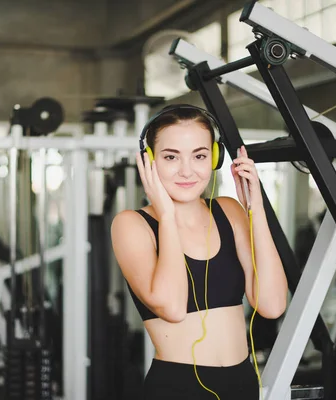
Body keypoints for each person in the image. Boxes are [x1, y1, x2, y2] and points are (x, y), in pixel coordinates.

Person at [110, 105, 288, 400]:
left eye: (200, 155)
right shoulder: (131, 225)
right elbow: (173, 308)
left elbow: (272, 305)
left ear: (214, 159)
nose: (187, 170)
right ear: (149, 161)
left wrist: (256, 208)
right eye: (170, 157)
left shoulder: (229, 211)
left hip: (242, 383)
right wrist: (167, 216)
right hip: (178, 387)